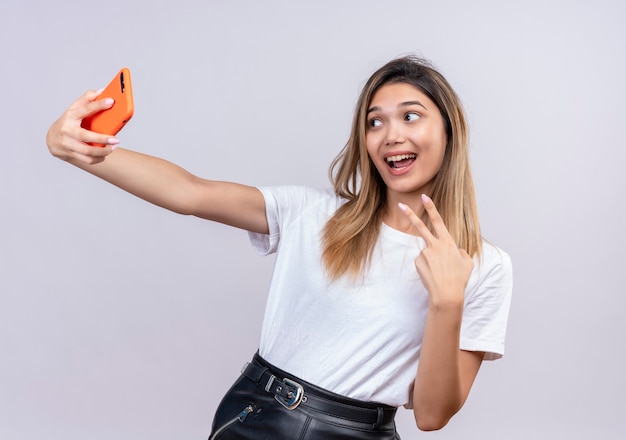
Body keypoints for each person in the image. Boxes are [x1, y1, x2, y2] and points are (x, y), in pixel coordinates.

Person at [46, 55, 513, 439]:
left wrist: (447, 301)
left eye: (411, 115)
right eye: (375, 122)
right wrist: (84, 150)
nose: (391, 135)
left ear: (449, 130)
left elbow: (431, 416)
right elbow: (191, 193)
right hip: (256, 414)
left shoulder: (486, 266)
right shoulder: (313, 214)